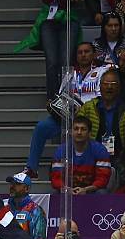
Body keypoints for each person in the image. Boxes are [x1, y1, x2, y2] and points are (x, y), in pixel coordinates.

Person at [23, 42, 109, 178]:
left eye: (87, 52)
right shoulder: (69, 73)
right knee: (41, 127)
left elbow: (101, 97)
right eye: (80, 52)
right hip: (68, 117)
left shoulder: (101, 72)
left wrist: (83, 109)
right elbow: (61, 95)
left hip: (90, 116)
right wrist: (54, 105)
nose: (83, 55)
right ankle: (31, 168)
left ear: (94, 54)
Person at [76, 69, 125, 160]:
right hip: (92, 157)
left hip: (121, 158)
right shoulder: (88, 108)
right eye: (106, 84)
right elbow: (77, 130)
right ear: (100, 87)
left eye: (113, 84)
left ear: (119, 88)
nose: (109, 87)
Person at [50, 116, 112, 194]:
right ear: (71, 132)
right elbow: (56, 179)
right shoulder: (61, 150)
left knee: (102, 192)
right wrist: (67, 190)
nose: (79, 132)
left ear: (89, 133)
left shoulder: (100, 150)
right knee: (54, 193)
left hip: (91, 191)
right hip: (68, 192)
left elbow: (102, 179)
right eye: (76, 129)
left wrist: (86, 190)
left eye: (83, 129)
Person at [0, 173, 47, 239]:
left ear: (26, 189)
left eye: (17, 184)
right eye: (11, 183)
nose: (12, 186)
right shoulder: (5, 210)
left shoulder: (34, 211)